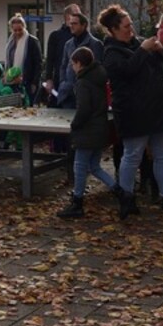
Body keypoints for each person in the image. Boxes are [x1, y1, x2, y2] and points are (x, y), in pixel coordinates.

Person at [99, 4, 163, 219]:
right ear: (113, 30)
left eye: (131, 24)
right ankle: (127, 198)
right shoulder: (111, 52)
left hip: (160, 109)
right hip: (134, 114)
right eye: (126, 26)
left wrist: (162, 53)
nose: (131, 29)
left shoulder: (142, 44)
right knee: (132, 156)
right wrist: (143, 51)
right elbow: (127, 71)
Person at [57, 46, 120, 218]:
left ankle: (77, 202)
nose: (72, 67)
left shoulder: (83, 82)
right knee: (94, 166)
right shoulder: (99, 77)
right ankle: (120, 192)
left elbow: (84, 109)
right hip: (100, 127)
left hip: (87, 130)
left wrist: (75, 125)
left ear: (79, 63)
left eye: (73, 63)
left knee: (79, 166)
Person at [55, 12, 104, 110]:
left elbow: (98, 69)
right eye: (70, 23)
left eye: (75, 23)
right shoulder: (68, 44)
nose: (71, 26)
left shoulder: (95, 44)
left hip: (86, 94)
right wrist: (63, 83)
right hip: (68, 94)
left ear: (84, 25)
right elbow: (63, 66)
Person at [43, 4, 80, 106]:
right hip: (60, 79)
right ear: (68, 16)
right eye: (76, 14)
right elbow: (50, 59)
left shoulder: (81, 36)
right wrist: (49, 79)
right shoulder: (56, 36)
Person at [5, 14, 42, 106]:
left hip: (28, 82)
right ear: (11, 29)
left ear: (24, 27)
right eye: (15, 30)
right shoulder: (10, 42)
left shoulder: (32, 41)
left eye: (20, 30)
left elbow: (38, 63)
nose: (17, 32)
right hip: (12, 82)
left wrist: (34, 82)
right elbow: (8, 61)